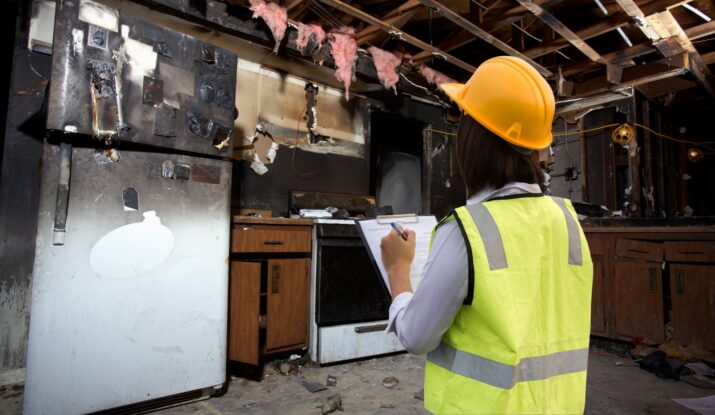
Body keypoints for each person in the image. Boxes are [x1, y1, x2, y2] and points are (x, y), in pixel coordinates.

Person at [380, 56, 593, 414]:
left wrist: (398, 270)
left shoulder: (466, 230)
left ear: (474, 138)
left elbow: (417, 336)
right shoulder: (568, 221)